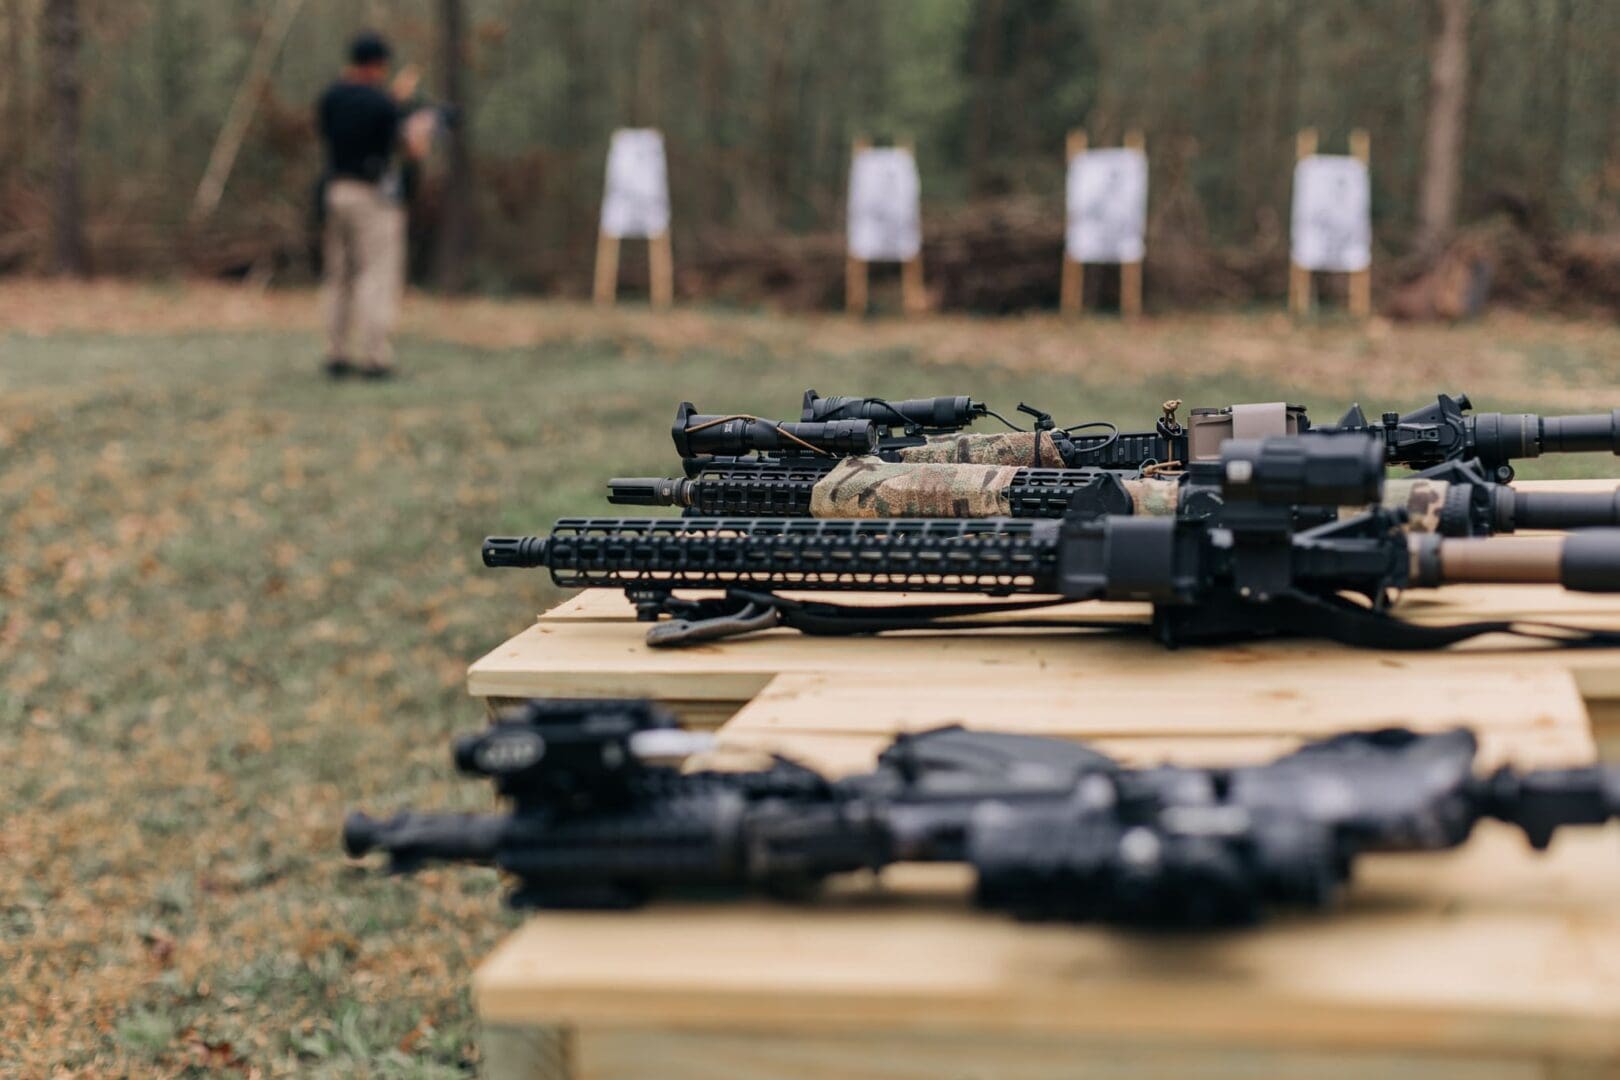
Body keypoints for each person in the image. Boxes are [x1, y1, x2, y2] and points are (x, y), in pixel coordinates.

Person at [315, 32, 428, 379]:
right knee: (375, 276)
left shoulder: (330, 98)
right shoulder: (383, 105)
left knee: (338, 277)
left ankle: (336, 353)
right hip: (372, 197)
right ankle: (375, 357)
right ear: (378, 65)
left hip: (335, 191)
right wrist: (416, 126)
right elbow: (410, 149)